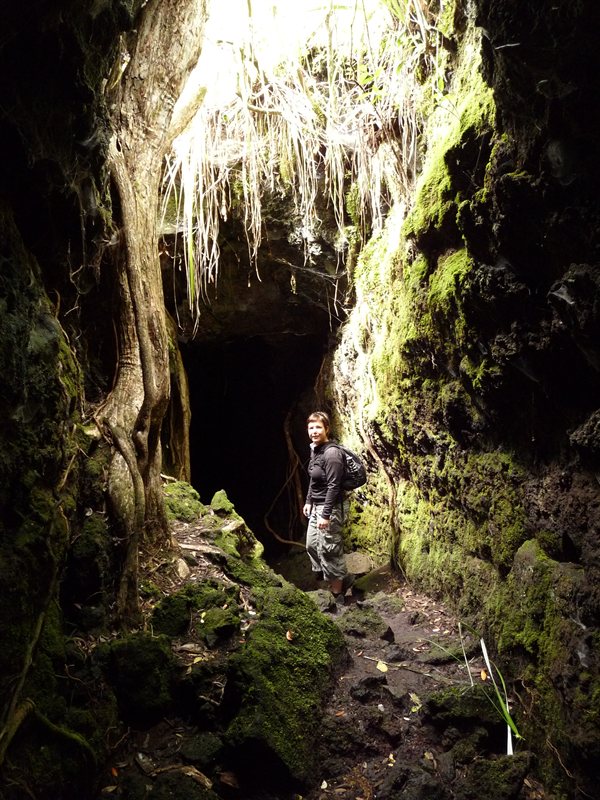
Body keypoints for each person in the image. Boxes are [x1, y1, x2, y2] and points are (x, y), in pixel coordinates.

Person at [302, 411, 353, 598]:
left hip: (330, 508)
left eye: (318, 427)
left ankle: (338, 591)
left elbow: (333, 486)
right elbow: (314, 480)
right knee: (312, 545)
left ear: (327, 429)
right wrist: (309, 501)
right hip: (317, 506)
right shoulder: (315, 449)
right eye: (311, 427)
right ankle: (338, 577)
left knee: (329, 548)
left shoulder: (332, 453)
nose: (314, 431)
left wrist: (325, 515)